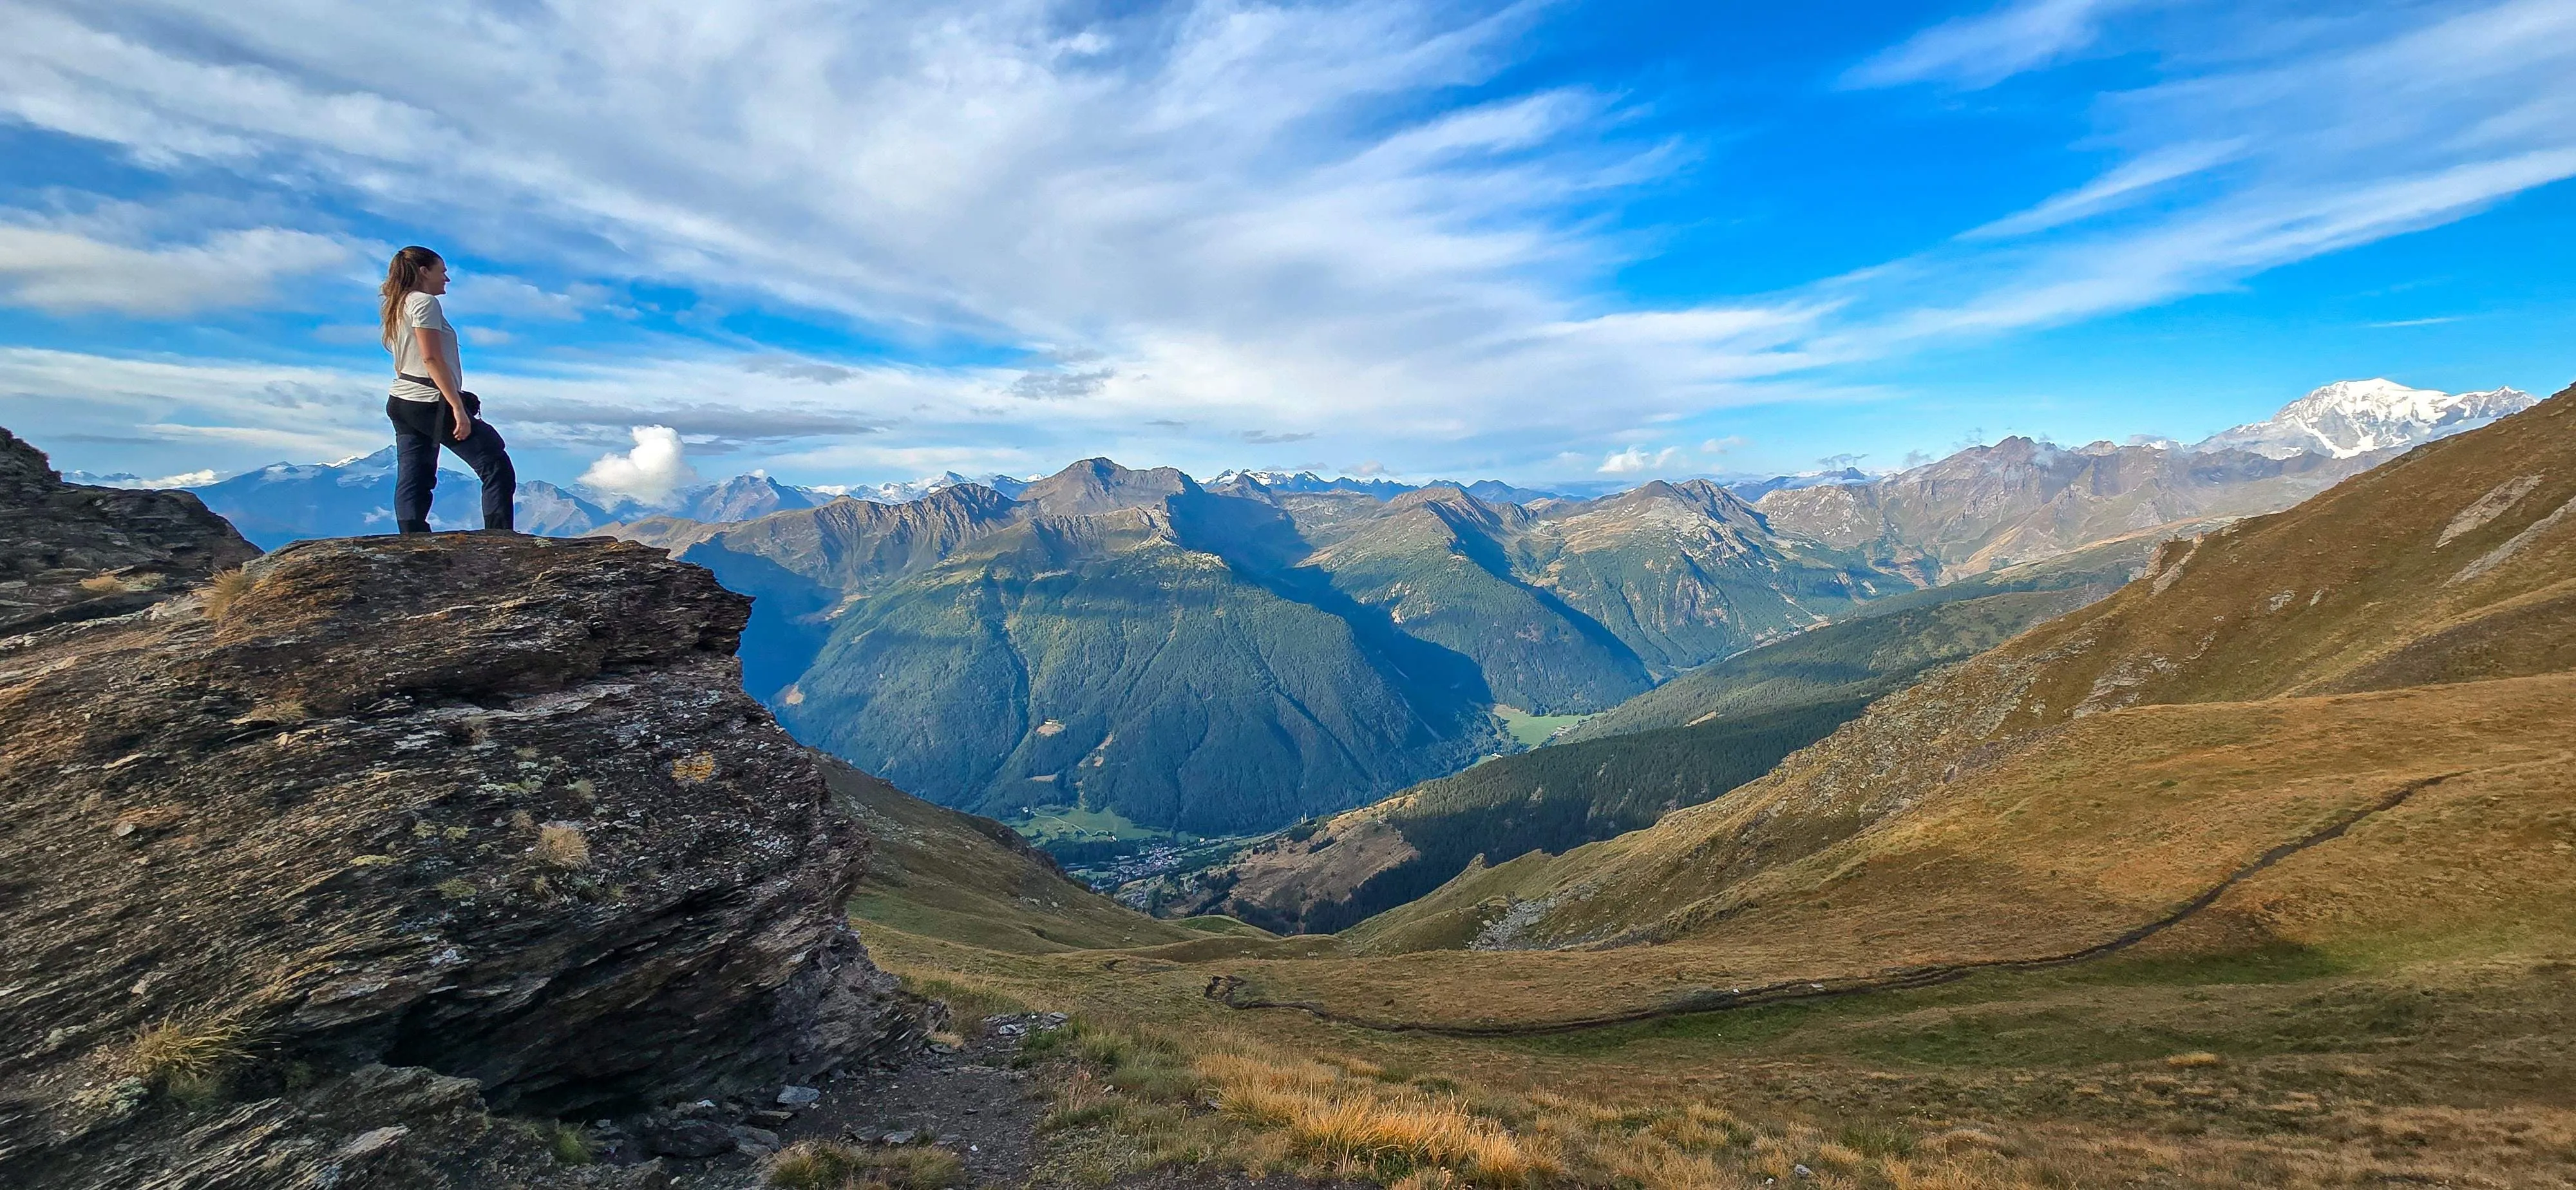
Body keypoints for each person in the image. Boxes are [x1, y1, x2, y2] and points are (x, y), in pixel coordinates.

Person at [380, 245, 516, 534]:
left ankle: (412, 540)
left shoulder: (397, 304)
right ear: (424, 271)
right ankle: (500, 538)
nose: (447, 279)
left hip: (402, 400)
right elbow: (431, 357)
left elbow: (404, 359)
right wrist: (457, 407)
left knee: (415, 474)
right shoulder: (424, 303)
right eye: (443, 272)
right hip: (430, 401)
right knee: (495, 463)